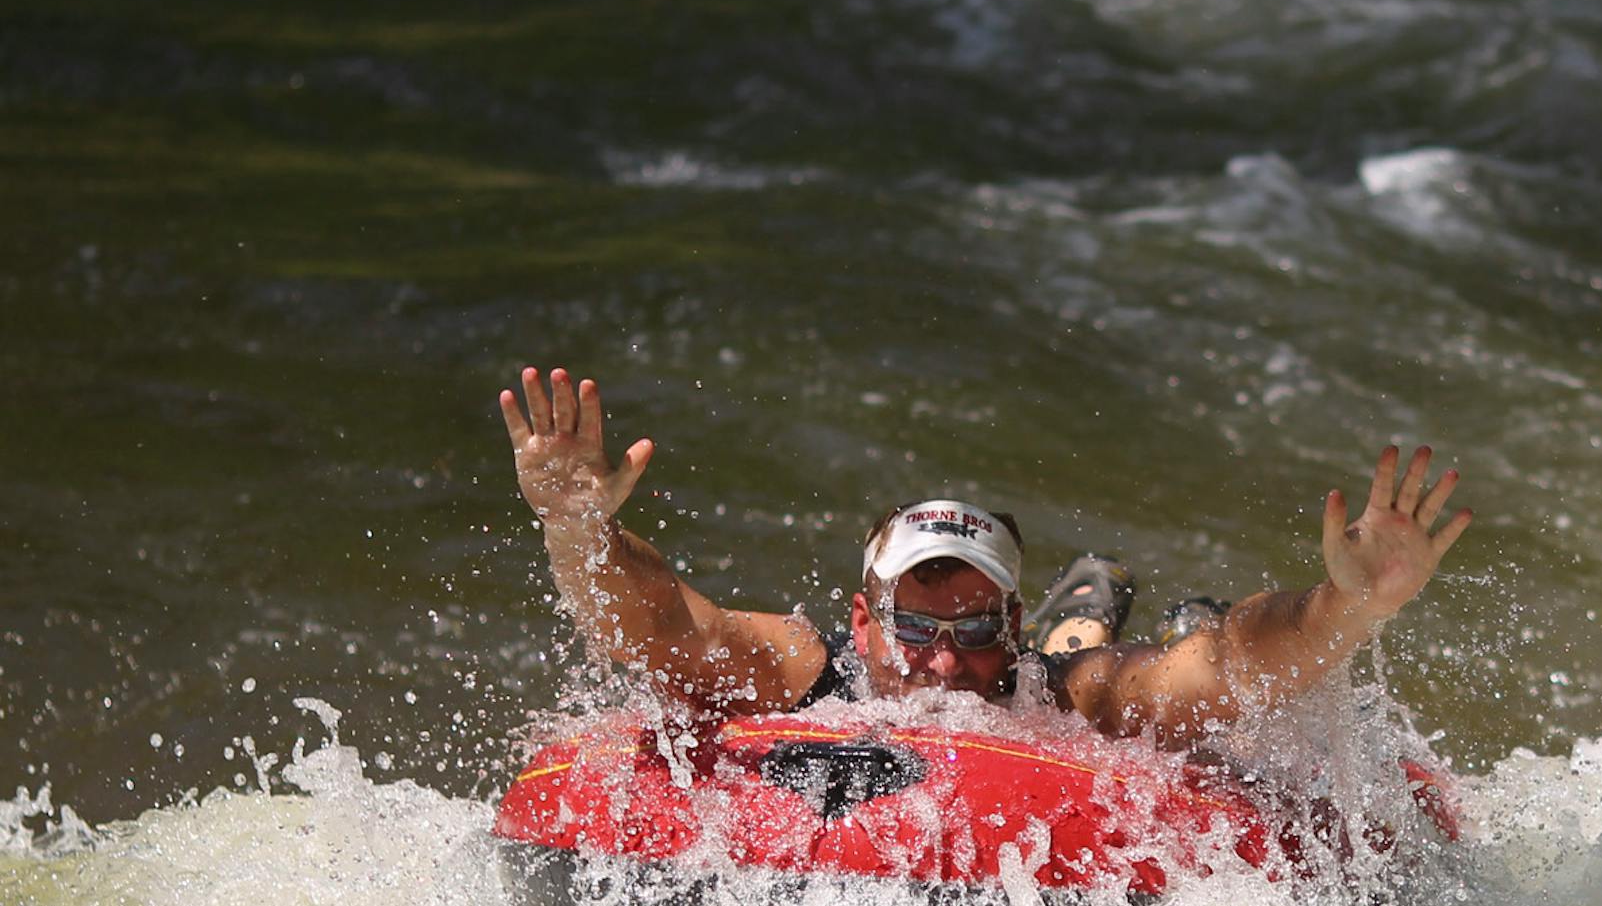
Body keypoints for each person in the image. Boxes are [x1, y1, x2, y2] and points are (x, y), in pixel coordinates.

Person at [499, 366, 1471, 752]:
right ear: (863, 620)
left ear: (1010, 625)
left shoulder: (1068, 698)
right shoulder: (798, 673)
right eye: (917, 626)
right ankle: (1085, 600)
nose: (943, 662)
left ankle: (1084, 615)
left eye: (975, 628)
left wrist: (1352, 608)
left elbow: (1225, 665)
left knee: (1136, 653)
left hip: (1065, 680)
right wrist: (578, 530)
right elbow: (660, 623)